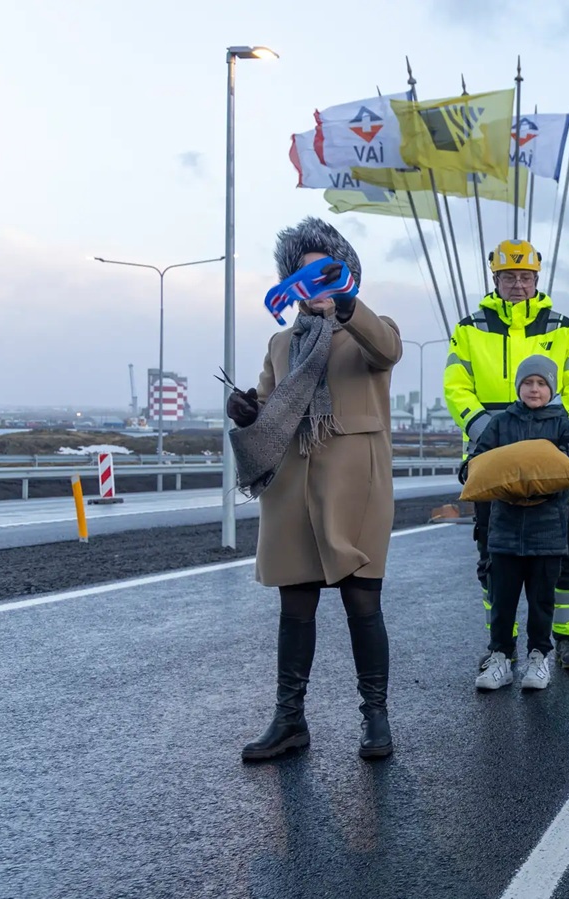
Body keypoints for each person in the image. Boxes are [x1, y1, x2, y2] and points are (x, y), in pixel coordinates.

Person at [232, 217, 404, 762]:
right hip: (292, 485)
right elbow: (270, 405)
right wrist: (247, 411)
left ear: (345, 276)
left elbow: (388, 352)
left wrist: (346, 307)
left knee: (362, 601)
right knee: (295, 604)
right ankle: (289, 721)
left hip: (357, 484)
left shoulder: (369, 329)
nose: (314, 288)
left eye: (324, 275)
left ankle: (376, 718)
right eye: (301, 278)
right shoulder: (281, 342)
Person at [445, 240, 569, 671]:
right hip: (491, 462)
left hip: (552, 462)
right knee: (494, 558)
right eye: (508, 277)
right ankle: (502, 644)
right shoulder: (469, 328)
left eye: (525, 277)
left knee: (562, 554)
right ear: (495, 279)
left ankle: (567, 640)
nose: (517, 285)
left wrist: (550, 430)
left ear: (536, 279)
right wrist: (489, 433)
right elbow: (456, 385)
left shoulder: (564, 328)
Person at [460, 355, 569, 693]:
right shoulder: (500, 423)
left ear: (552, 389)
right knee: (501, 599)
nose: (534, 389)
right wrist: (470, 473)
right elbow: (478, 460)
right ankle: (500, 657)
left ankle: (538, 656)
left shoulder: (563, 425)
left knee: (542, 600)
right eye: (528, 383)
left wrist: (551, 495)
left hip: (548, 530)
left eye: (541, 383)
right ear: (518, 387)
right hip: (504, 528)